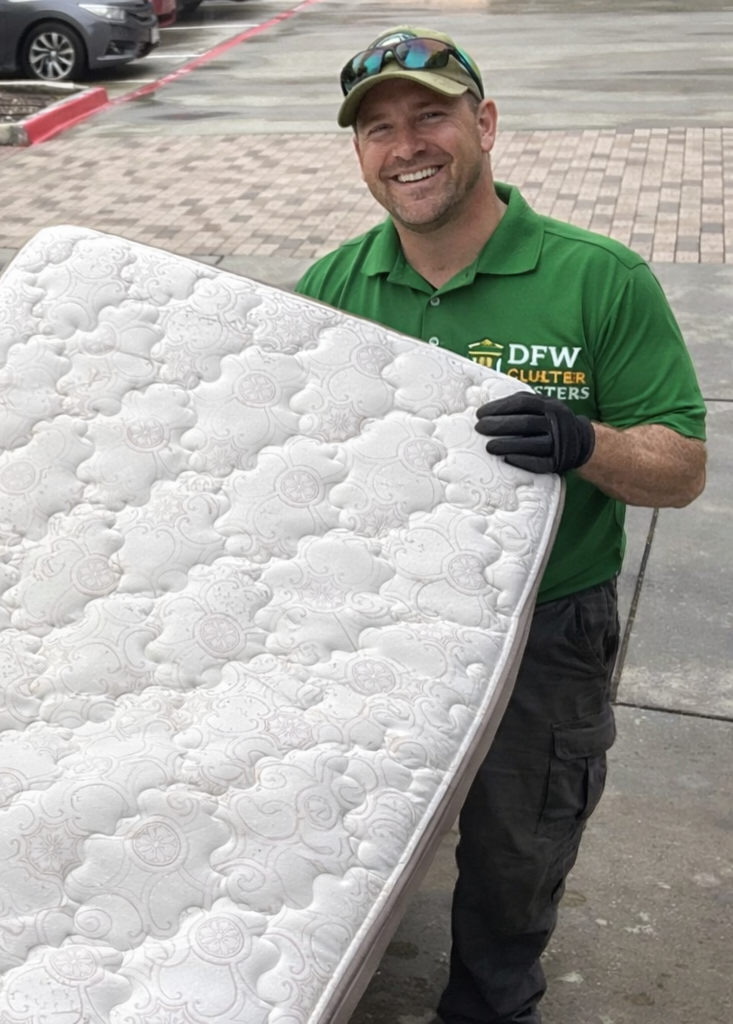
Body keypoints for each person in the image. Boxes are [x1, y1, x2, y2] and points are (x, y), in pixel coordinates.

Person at [294, 26, 707, 1024]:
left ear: (483, 122)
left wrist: (586, 443)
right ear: (360, 153)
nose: (407, 146)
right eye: (378, 129)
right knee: (351, 819)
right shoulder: (332, 290)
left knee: (518, 844)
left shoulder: (595, 278)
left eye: (431, 114)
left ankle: (490, 1002)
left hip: (542, 629)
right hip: (380, 623)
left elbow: (682, 465)